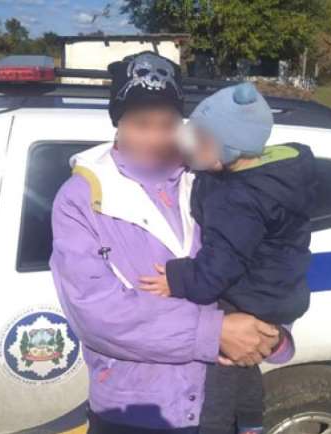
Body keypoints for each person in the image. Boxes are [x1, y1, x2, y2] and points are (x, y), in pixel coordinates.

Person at [49, 51, 294, 434]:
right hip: (135, 411)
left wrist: (272, 332)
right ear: (118, 123)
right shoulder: (81, 197)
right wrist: (214, 332)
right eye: (141, 124)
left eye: (167, 124)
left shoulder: (213, 177)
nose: (155, 138)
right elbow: (96, 312)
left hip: (218, 400)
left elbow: (271, 253)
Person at [138, 82, 316, 434]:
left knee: (219, 374)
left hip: (253, 294)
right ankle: (250, 422)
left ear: (229, 151)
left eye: (199, 141)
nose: (189, 147)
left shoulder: (238, 201)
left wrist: (176, 278)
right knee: (244, 369)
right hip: (279, 288)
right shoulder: (269, 170)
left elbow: (217, 269)